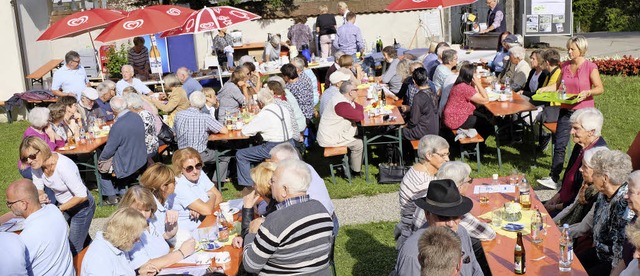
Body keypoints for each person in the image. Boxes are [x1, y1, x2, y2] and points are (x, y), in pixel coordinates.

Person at [243, 159, 334, 274]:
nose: (270, 184)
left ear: (284, 190)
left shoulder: (274, 221)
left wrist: (251, 234)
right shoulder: (321, 209)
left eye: (273, 181)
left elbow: (250, 265)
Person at [538, 36, 605, 189]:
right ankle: (554, 178)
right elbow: (557, 86)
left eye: (572, 49)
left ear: (581, 50)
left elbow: (599, 88)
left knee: (581, 145)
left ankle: (578, 178)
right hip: (566, 109)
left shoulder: (590, 66)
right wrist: (544, 89)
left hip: (583, 112)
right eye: (568, 48)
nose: (569, 51)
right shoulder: (565, 66)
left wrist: (587, 92)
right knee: (560, 143)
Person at [20, 136, 95, 256]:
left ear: (42, 150)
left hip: (82, 208)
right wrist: (41, 194)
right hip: (65, 206)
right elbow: (38, 187)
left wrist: (59, 209)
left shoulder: (63, 166)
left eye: (32, 156)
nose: (29, 161)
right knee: (83, 239)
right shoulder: (37, 166)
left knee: (73, 248)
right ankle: (96, 258)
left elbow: (82, 195)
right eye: (25, 159)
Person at [395, 179, 483, 275]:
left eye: (456, 216)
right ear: (427, 214)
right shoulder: (411, 253)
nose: (451, 223)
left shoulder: (462, 232)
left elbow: (475, 268)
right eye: (443, 217)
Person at [573, 150, 633, 275]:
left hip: (611, 263)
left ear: (605, 178)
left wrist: (613, 272)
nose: (592, 177)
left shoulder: (624, 204)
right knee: (568, 264)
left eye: (595, 173)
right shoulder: (603, 193)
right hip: (598, 252)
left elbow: (620, 249)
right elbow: (591, 222)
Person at [543, 108, 607, 216]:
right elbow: (568, 175)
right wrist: (555, 197)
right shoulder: (580, 145)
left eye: (576, 128)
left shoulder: (596, 157)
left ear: (591, 132)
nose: (571, 132)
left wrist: (553, 207)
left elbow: (579, 199)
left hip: (571, 212)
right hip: (561, 203)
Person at [4, 178, 74, 275]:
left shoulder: (25, 238)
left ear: (24, 204)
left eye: (10, 204)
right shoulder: (54, 209)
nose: (9, 207)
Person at [119, 186, 196, 271]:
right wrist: (182, 253)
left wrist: (171, 226)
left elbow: (162, 238)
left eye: (147, 210)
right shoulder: (130, 231)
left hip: (169, 267)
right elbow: (146, 266)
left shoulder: (149, 223)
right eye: (138, 210)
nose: (143, 215)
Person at [269, 142, 338, 234]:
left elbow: (286, 210)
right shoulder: (304, 168)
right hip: (327, 220)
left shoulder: (291, 177)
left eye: (274, 165)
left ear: (287, 162)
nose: (272, 168)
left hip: (319, 226)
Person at [396, 135, 449, 249]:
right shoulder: (423, 184)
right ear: (429, 155)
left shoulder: (419, 169)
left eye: (447, 154)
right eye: (443, 155)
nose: (447, 159)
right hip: (417, 235)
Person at [236, 88, 296, 187]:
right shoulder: (282, 108)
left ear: (260, 103)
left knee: (241, 154)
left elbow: (246, 131)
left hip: (274, 147)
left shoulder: (265, 114)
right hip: (290, 143)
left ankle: (248, 185)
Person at [81, 207, 157, 276]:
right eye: (135, 237)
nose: (138, 240)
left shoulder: (117, 245)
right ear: (124, 235)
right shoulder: (99, 259)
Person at [173, 91, 229, 181]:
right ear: (203, 104)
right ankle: (215, 182)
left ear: (189, 102)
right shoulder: (205, 117)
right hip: (199, 154)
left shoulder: (179, 115)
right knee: (225, 155)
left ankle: (204, 175)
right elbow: (225, 130)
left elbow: (174, 132)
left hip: (181, 152)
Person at [99, 96, 148, 187]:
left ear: (113, 109)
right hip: (140, 157)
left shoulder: (118, 125)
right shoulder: (136, 116)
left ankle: (111, 195)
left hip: (126, 163)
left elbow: (109, 149)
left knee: (99, 164)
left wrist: (100, 159)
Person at [317, 81, 364, 176]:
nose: (358, 92)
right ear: (350, 92)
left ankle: (352, 165)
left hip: (332, 133)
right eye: (356, 90)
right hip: (330, 138)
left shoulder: (340, 98)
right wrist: (359, 108)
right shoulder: (341, 105)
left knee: (360, 132)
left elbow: (358, 109)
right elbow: (359, 116)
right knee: (359, 144)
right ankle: (355, 171)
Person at [171, 148, 223, 232]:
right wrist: (212, 197)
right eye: (189, 168)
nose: (195, 171)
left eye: (198, 165)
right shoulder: (179, 185)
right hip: (190, 232)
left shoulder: (200, 173)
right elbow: (207, 209)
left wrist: (200, 209)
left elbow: (219, 197)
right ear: (180, 169)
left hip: (205, 222)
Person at [553, 146, 608, 226]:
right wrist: (552, 222)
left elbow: (583, 227)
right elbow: (572, 206)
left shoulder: (599, 194)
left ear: (596, 171)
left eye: (585, 167)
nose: (580, 169)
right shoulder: (585, 184)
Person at [231, 161, 279, 249]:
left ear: (262, 185)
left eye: (255, 183)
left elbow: (250, 240)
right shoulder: (275, 203)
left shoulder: (273, 212)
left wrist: (248, 207)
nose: (253, 186)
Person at [442, 63, 492, 141]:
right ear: (471, 76)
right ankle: (475, 147)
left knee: (483, 117)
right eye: (475, 73)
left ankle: (475, 145)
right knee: (487, 125)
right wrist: (478, 83)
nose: (477, 75)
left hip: (452, 116)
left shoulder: (460, 84)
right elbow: (485, 100)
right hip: (455, 120)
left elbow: (477, 100)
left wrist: (474, 84)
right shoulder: (465, 88)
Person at [138, 163, 180, 243]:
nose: (176, 184)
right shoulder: (152, 210)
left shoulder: (161, 200)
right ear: (164, 187)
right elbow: (160, 240)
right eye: (174, 181)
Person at [18, 107, 65, 179]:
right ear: (41, 121)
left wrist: (52, 133)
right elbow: (46, 152)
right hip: (31, 166)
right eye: (47, 119)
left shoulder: (44, 130)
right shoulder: (31, 135)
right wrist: (52, 138)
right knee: (53, 177)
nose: (49, 120)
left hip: (43, 163)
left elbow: (61, 144)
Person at [402, 68, 439, 141]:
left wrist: (404, 126)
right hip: (434, 130)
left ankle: (402, 152)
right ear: (427, 78)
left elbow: (414, 121)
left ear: (414, 81)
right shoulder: (432, 92)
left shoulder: (419, 97)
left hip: (423, 132)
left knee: (398, 133)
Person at [124, 92, 158, 159]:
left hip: (146, 149)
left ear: (131, 106)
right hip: (153, 145)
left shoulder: (139, 117)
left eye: (127, 107)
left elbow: (134, 135)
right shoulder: (146, 113)